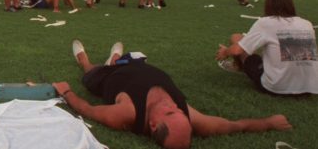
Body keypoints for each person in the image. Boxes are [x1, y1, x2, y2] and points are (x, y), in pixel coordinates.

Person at [53, 40, 292, 149]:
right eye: (179, 111)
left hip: (108, 80)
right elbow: (233, 126)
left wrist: (66, 91)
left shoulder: (125, 114)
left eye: (171, 111)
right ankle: (115, 56)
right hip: (139, 65)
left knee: (90, 71)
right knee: (118, 61)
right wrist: (268, 122)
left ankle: (84, 59)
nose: (176, 106)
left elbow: (88, 110)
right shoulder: (186, 116)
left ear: (154, 124)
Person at [216, 0, 318, 95]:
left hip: (275, 87)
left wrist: (225, 52)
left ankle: (237, 66)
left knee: (236, 38)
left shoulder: (266, 22)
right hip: (309, 88)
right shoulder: (306, 23)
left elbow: (237, 50)